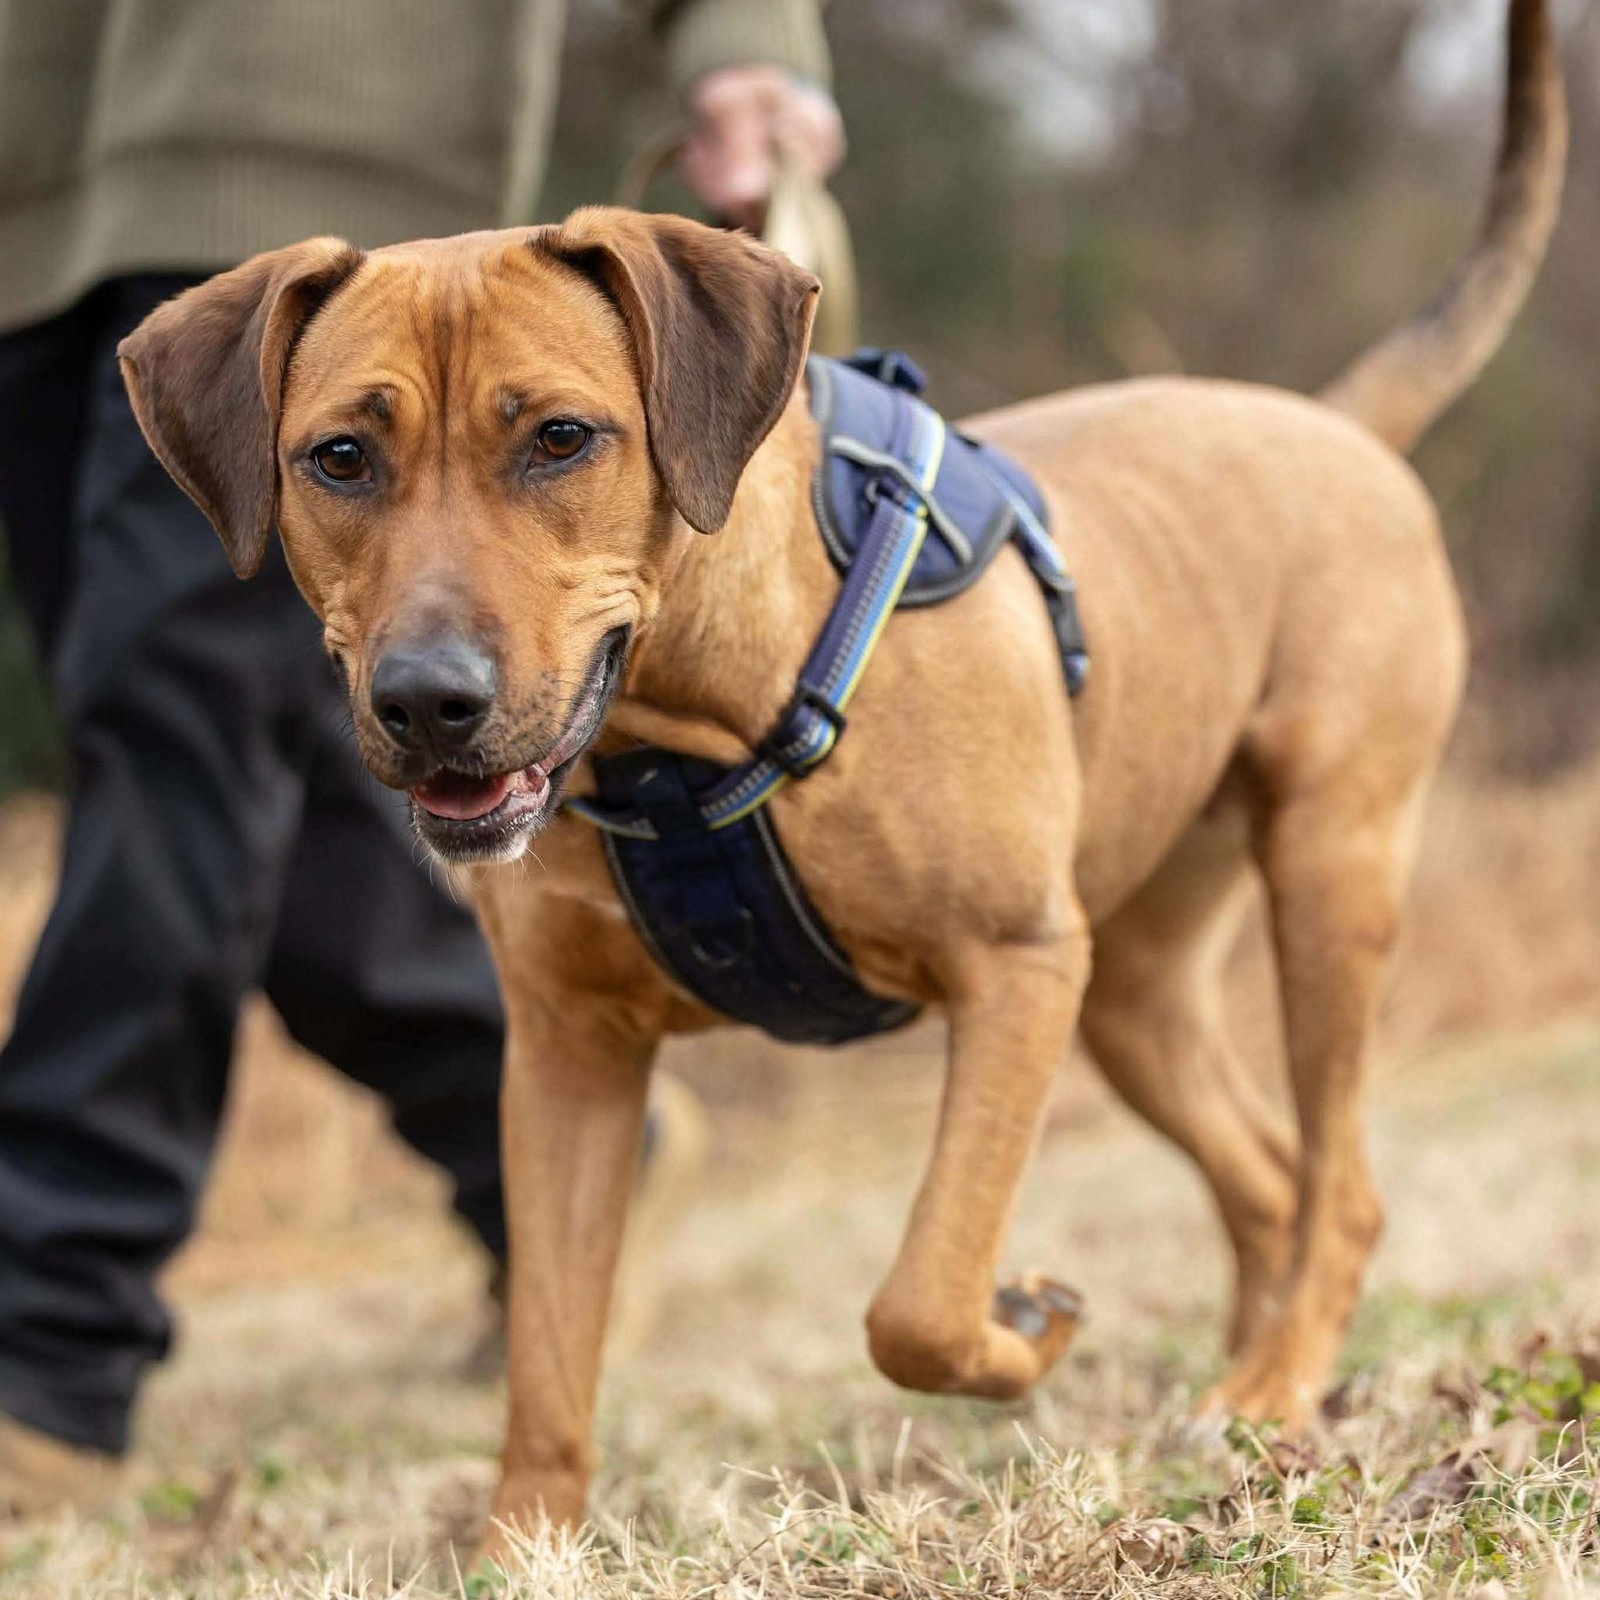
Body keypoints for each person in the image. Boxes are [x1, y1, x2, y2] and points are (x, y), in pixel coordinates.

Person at [0, 0, 842, 1517]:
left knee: (172, 751)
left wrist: (742, 34)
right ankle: (545, 1123)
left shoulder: (410, 316)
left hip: (311, 135)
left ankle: (46, 1350)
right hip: (30, 191)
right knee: (280, 771)